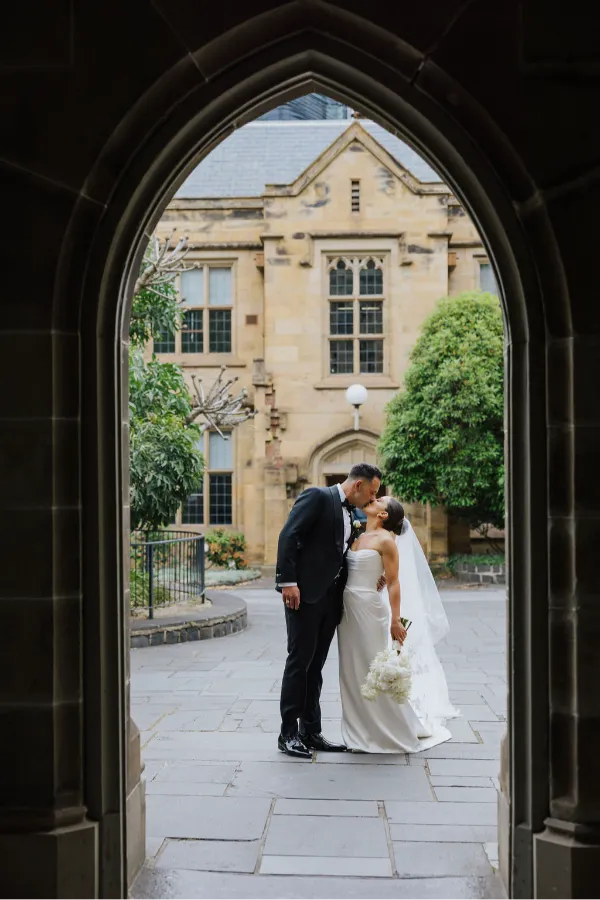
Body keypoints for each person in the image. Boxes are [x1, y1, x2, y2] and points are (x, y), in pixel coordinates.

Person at [275, 463, 382, 758]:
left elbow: (341, 553)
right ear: (358, 485)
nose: (373, 500)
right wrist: (288, 582)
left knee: (316, 667)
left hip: (331, 600)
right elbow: (289, 535)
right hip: (304, 596)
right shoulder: (317, 497)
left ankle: (311, 732)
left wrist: (373, 575)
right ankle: (288, 734)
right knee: (299, 663)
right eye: (372, 493)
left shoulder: (351, 513)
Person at [338, 495, 459, 753]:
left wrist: (395, 620)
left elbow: (394, 583)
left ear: (383, 515)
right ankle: (358, 731)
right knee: (351, 670)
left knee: (371, 667)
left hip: (370, 611)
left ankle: (390, 728)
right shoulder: (359, 536)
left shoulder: (386, 541)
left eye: (380, 499)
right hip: (347, 611)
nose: (373, 498)